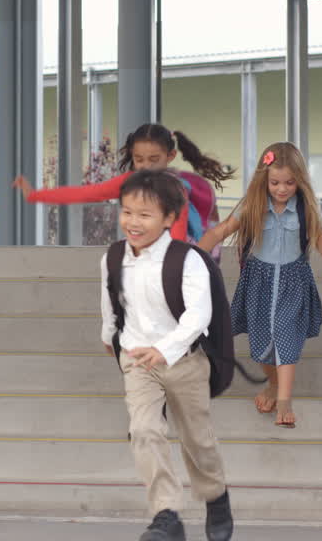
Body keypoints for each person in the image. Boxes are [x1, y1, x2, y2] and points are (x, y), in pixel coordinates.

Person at [101, 170, 234, 541]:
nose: (133, 222)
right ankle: (166, 515)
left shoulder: (188, 260)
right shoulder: (113, 257)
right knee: (144, 431)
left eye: (144, 215)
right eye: (127, 212)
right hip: (137, 360)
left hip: (184, 361)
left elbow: (198, 315)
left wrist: (164, 348)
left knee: (197, 440)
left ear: (169, 218)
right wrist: (109, 336)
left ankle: (216, 496)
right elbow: (111, 302)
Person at [197, 142, 322, 428]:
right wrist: (193, 255)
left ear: (300, 181)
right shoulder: (252, 206)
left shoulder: (305, 210)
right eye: (275, 183)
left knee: (285, 335)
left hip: (293, 283)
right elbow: (220, 231)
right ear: (264, 180)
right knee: (261, 344)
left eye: (289, 183)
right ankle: (273, 384)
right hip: (258, 282)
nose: (282, 189)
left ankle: (284, 401)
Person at [16, 123, 233, 243]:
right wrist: (35, 195)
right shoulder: (129, 181)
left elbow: (178, 234)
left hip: (171, 260)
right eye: (139, 159)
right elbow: (86, 193)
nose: (146, 166)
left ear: (171, 156)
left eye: (154, 159)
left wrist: (173, 268)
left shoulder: (174, 189)